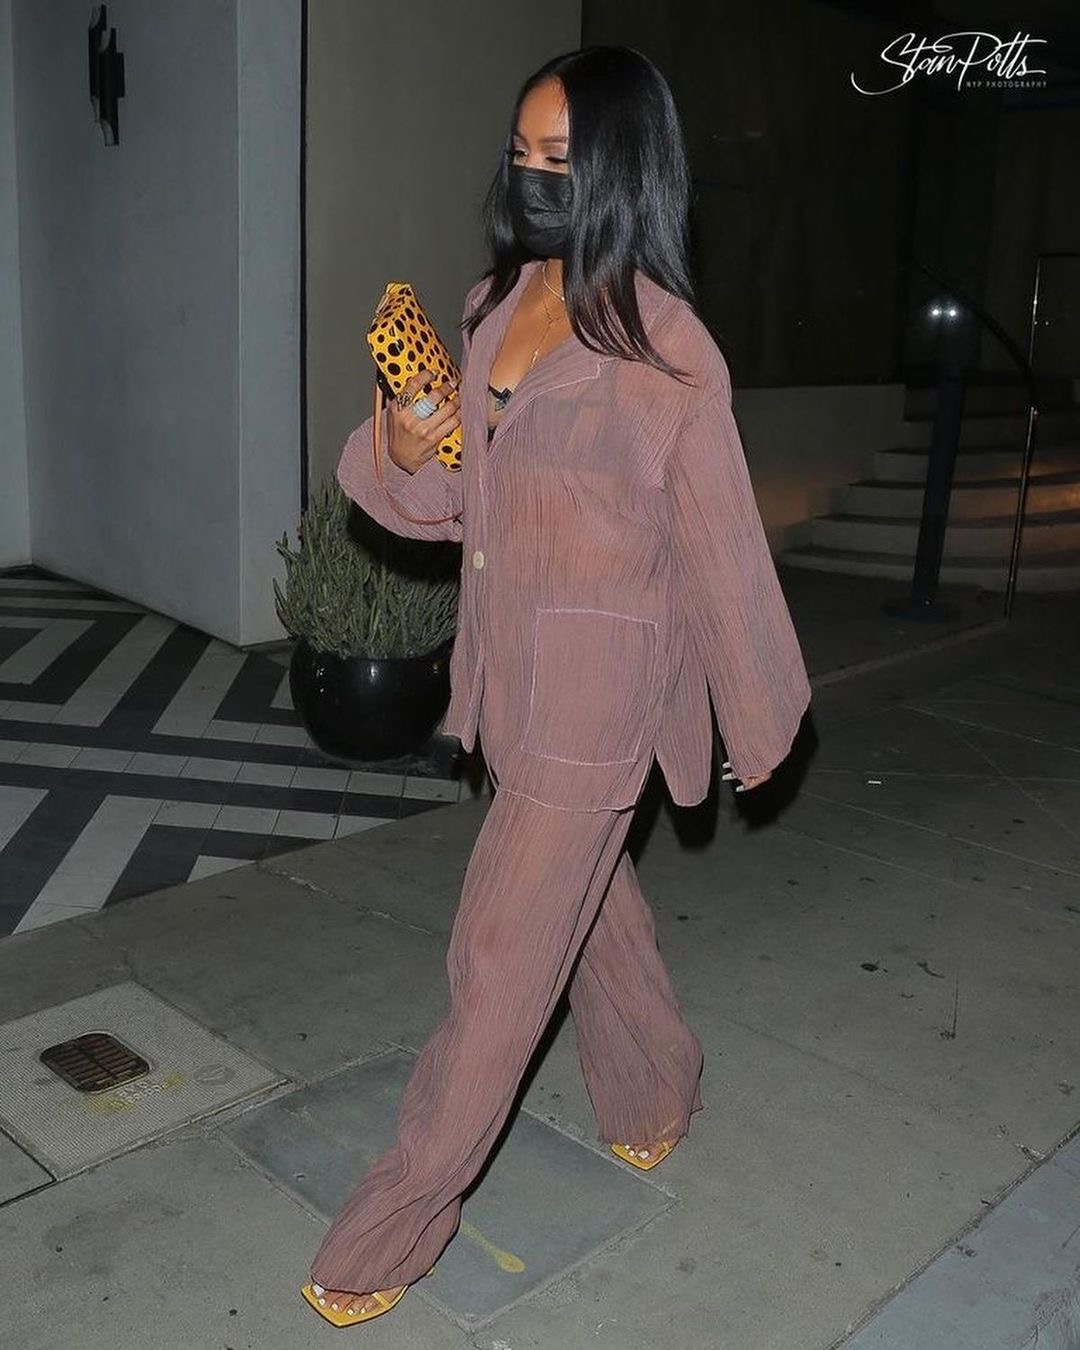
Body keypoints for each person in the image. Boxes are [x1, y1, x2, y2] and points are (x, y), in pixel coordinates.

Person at [302, 43, 810, 1327]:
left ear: (624, 174)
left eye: (561, 160)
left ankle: (390, 1227)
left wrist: (760, 716)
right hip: (508, 679)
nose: (531, 180)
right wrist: (404, 441)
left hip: (600, 697)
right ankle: (656, 1085)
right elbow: (453, 506)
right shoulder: (490, 309)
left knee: (497, 955)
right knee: (587, 911)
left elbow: (723, 546)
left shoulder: (670, 354)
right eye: (520, 155)